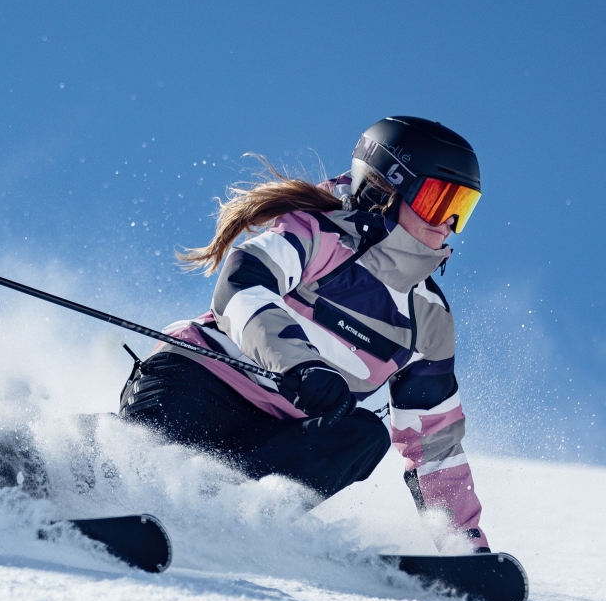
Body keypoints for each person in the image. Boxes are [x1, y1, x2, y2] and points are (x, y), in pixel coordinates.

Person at [120, 116, 489, 552]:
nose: (447, 221)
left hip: (274, 442)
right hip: (200, 382)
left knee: (362, 436)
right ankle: (48, 462)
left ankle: (218, 517)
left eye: (461, 208)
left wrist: (465, 548)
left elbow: (435, 442)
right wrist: (301, 365)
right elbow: (243, 285)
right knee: (143, 464)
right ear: (390, 188)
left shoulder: (427, 318)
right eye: (437, 200)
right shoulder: (319, 234)